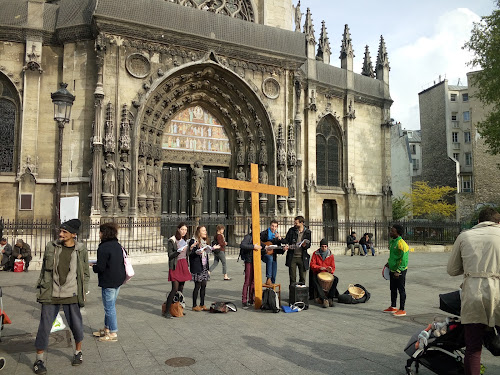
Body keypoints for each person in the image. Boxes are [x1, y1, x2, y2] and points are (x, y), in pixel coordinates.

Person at [447, 207, 500, 375]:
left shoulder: (465, 236)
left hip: (473, 293)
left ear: (478, 222)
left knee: (473, 348)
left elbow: (452, 270)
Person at [33, 219, 89, 375]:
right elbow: (44, 269)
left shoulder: (81, 250)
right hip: (51, 293)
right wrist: (42, 286)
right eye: (60, 231)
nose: (60, 234)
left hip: (71, 293)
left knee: (76, 325)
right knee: (44, 326)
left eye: (64, 232)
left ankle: (78, 352)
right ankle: (39, 360)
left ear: (73, 234)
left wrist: (84, 291)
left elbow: (85, 273)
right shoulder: (51, 246)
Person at [91, 222, 126, 342]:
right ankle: (107, 328)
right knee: (110, 306)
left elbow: (100, 267)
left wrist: (93, 266)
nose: (99, 234)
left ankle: (113, 333)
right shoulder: (117, 245)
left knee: (109, 308)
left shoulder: (103, 247)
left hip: (108, 281)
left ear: (104, 233)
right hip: (118, 279)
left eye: (100, 232)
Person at [164, 222, 192, 319]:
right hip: (175, 266)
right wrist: (177, 251)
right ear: (178, 229)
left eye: (185, 230)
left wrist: (191, 248)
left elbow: (187, 253)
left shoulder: (185, 240)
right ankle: (167, 311)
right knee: (174, 289)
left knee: (181, 289)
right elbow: (170, 255)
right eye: (182, 229)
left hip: (183, 264)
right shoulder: (172, 240)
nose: (184, 232)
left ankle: (178, 308)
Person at [189, 226, 219, 311]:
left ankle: (202, 304)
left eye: (205, 230)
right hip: (197, 266)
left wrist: (212, 249)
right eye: (203, 231)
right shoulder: (193, 241)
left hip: (204, 266)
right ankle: (194, 305)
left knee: (204, 285)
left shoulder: (205, 242)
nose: (205, 232)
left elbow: (207, 252)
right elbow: (191, 254)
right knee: (197, 286)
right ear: (199, 232)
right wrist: (197, 252)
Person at [383, 224, 409, 317]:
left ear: (398, 233)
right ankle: (393, 306)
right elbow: (393, 256)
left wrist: (399, 270)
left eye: (392, 231)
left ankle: (402, 309)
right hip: (392, 269)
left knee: (401, 289)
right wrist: (388, 263)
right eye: (391, 230)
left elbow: (404, 259)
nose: (390, 232)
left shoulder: (402, 244)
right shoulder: (392, 241)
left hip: (399, 271)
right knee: (392, 289)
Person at [309, 239, 338, 308]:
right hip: (318, 272)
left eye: (325, 246)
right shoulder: (315, 254)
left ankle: (330, 298)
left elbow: (333, 267)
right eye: (322, 246)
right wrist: (319, 268)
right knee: (314, 279)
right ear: (320, 247)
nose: (324, 248)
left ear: (327, 247)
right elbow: (312, 265)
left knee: (336, 279)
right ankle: (324, 298)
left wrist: (330, 270)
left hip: (327, 273)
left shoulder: (331, 255)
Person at [284, 216, 311, 286]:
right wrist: (280, 239)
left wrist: (305, 245)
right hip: (292, 256)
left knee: (302, 277)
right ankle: (292, 295)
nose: (294, 224)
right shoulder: (292, 230)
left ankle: (301, 295)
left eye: (296, 223)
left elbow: (309, 244)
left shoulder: (307, 232)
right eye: (294, 222)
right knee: (292, 277)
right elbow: (286, 240)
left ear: (301, 223)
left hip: (302, 256)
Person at [260, 220, 287, 285]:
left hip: (273, 255)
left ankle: (271, 291)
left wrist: (283, 249)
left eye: (275, 226)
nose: (273, 228)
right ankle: (268, 278)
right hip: (264, 254)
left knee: (274, 273)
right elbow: (258, 241)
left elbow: (278, 248)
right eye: (272, 226)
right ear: (270, 226)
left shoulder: (277, 236)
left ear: (277, 227)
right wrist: (265, 246)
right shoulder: (264, 233)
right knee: (270, 259)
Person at [240, 232, 262, 308]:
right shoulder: (248, 236)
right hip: (249, 260)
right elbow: (242, 245)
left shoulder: (258, 236)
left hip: (256, 261)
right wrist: (253, 246)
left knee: (253, 281)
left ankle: (251, 299)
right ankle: (244, 300)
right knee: (247, 281)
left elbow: (262, 245)